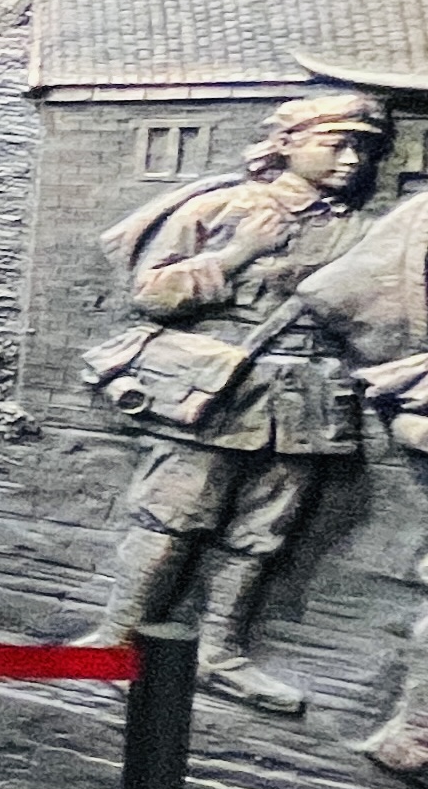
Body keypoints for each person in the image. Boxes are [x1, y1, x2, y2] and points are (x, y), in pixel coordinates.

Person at [77, 91, 391, 716]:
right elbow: (152, 296)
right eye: (336, 144)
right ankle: (113, 645)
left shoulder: (361, 230)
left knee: (260, 534)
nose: (353, 160)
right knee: (171, 520)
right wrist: (236, 253)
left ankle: (218, 655)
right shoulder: (222, 206)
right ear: (287, 144)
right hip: (219, 390)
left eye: (364, 148)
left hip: (308, 398)